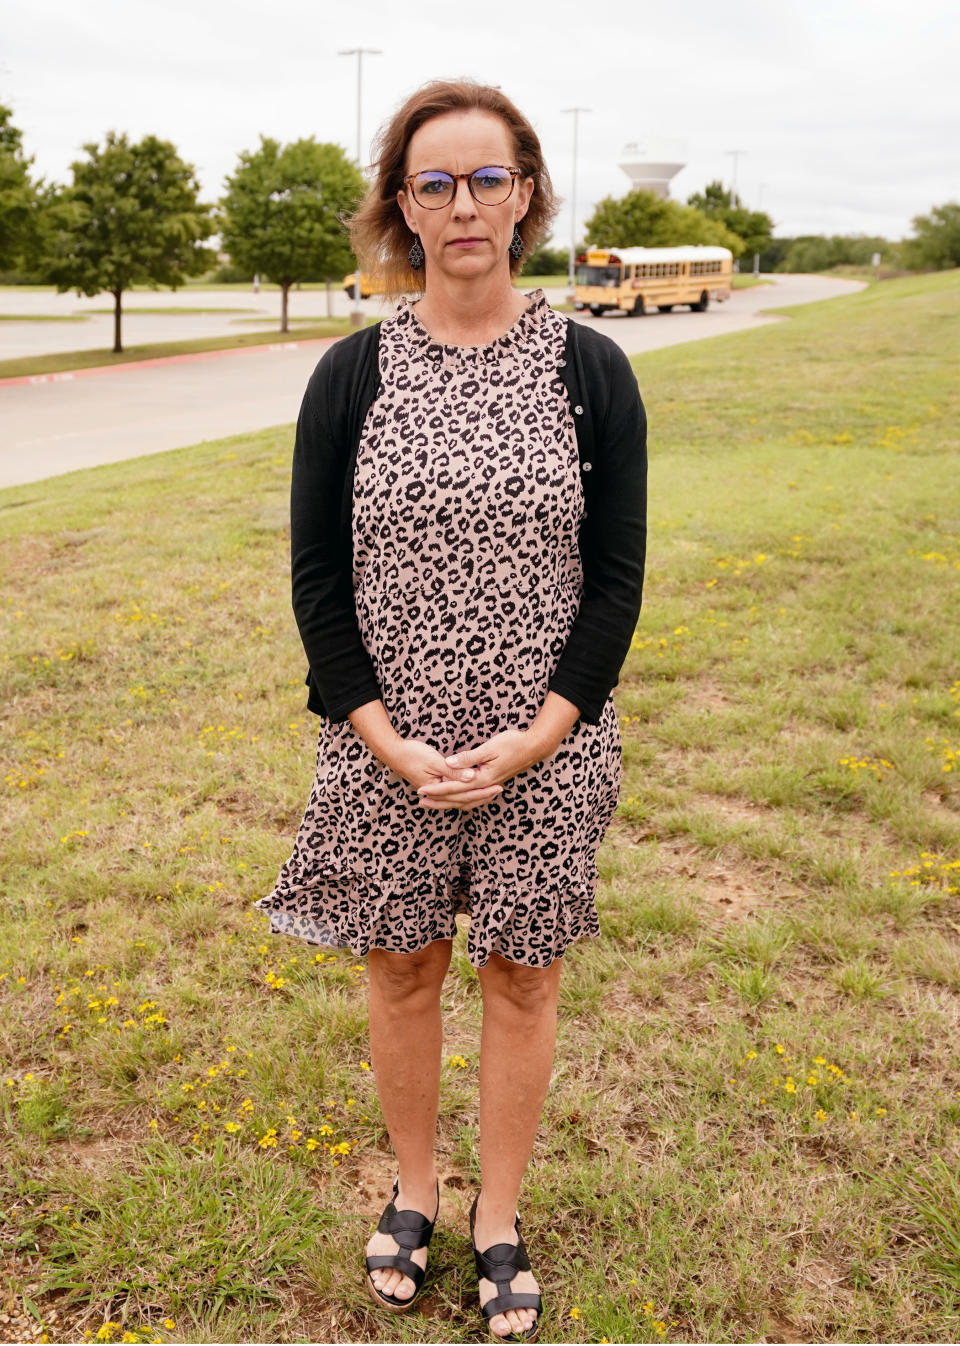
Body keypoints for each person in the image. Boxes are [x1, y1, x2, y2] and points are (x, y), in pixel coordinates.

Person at [253, 77, 647, 1343]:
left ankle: (499, 1217)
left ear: (526, 195)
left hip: (548, 748)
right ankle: (417, 1187)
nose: (464, 203)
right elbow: (317, 573)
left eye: (488, 178)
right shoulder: (351, 372)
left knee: (522, 982)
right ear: (403, 207)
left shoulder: (592, 369)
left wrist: (542, 730)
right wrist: (381, 732)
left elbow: (618, 572)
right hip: (385, 750)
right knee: (406, 966)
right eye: (436, 181)